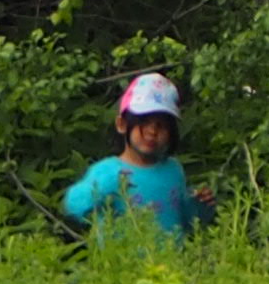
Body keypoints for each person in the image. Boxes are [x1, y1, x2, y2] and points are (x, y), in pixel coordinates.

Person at [62, 71, 210, 241]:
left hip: (172, 263)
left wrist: (199, 206)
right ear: (122, 124)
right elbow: (73, 205)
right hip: (124, 264)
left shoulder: (173, 170)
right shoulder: (108, 171)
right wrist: (104, 187)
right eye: (144, 122)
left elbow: (186, 221)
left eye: (161, 125)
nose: (152, 131)